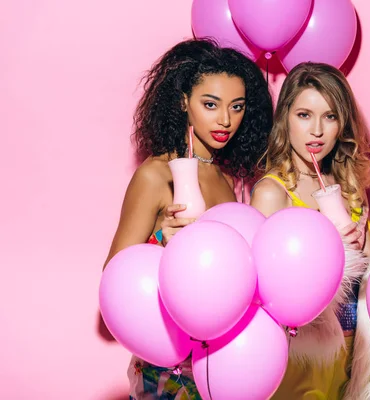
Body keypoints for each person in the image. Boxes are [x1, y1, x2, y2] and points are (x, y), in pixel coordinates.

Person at [102, 38, 273, 400]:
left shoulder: (227, 179)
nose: (225, 120)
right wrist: (160, 238)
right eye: (210, 104)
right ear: (183, 102)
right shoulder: (156, 175)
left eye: (237, 107)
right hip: (167, 369)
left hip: (223, 365)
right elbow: (112, 285)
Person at [251, 62, 370, 399]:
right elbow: (261, 295)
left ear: (342, 124)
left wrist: (365, 255)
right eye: (304, 115)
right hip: (299, 357)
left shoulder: (350, 189)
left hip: (353, 353)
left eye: (330, 116)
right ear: (285, 119)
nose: (317, 130)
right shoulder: (272, 193)